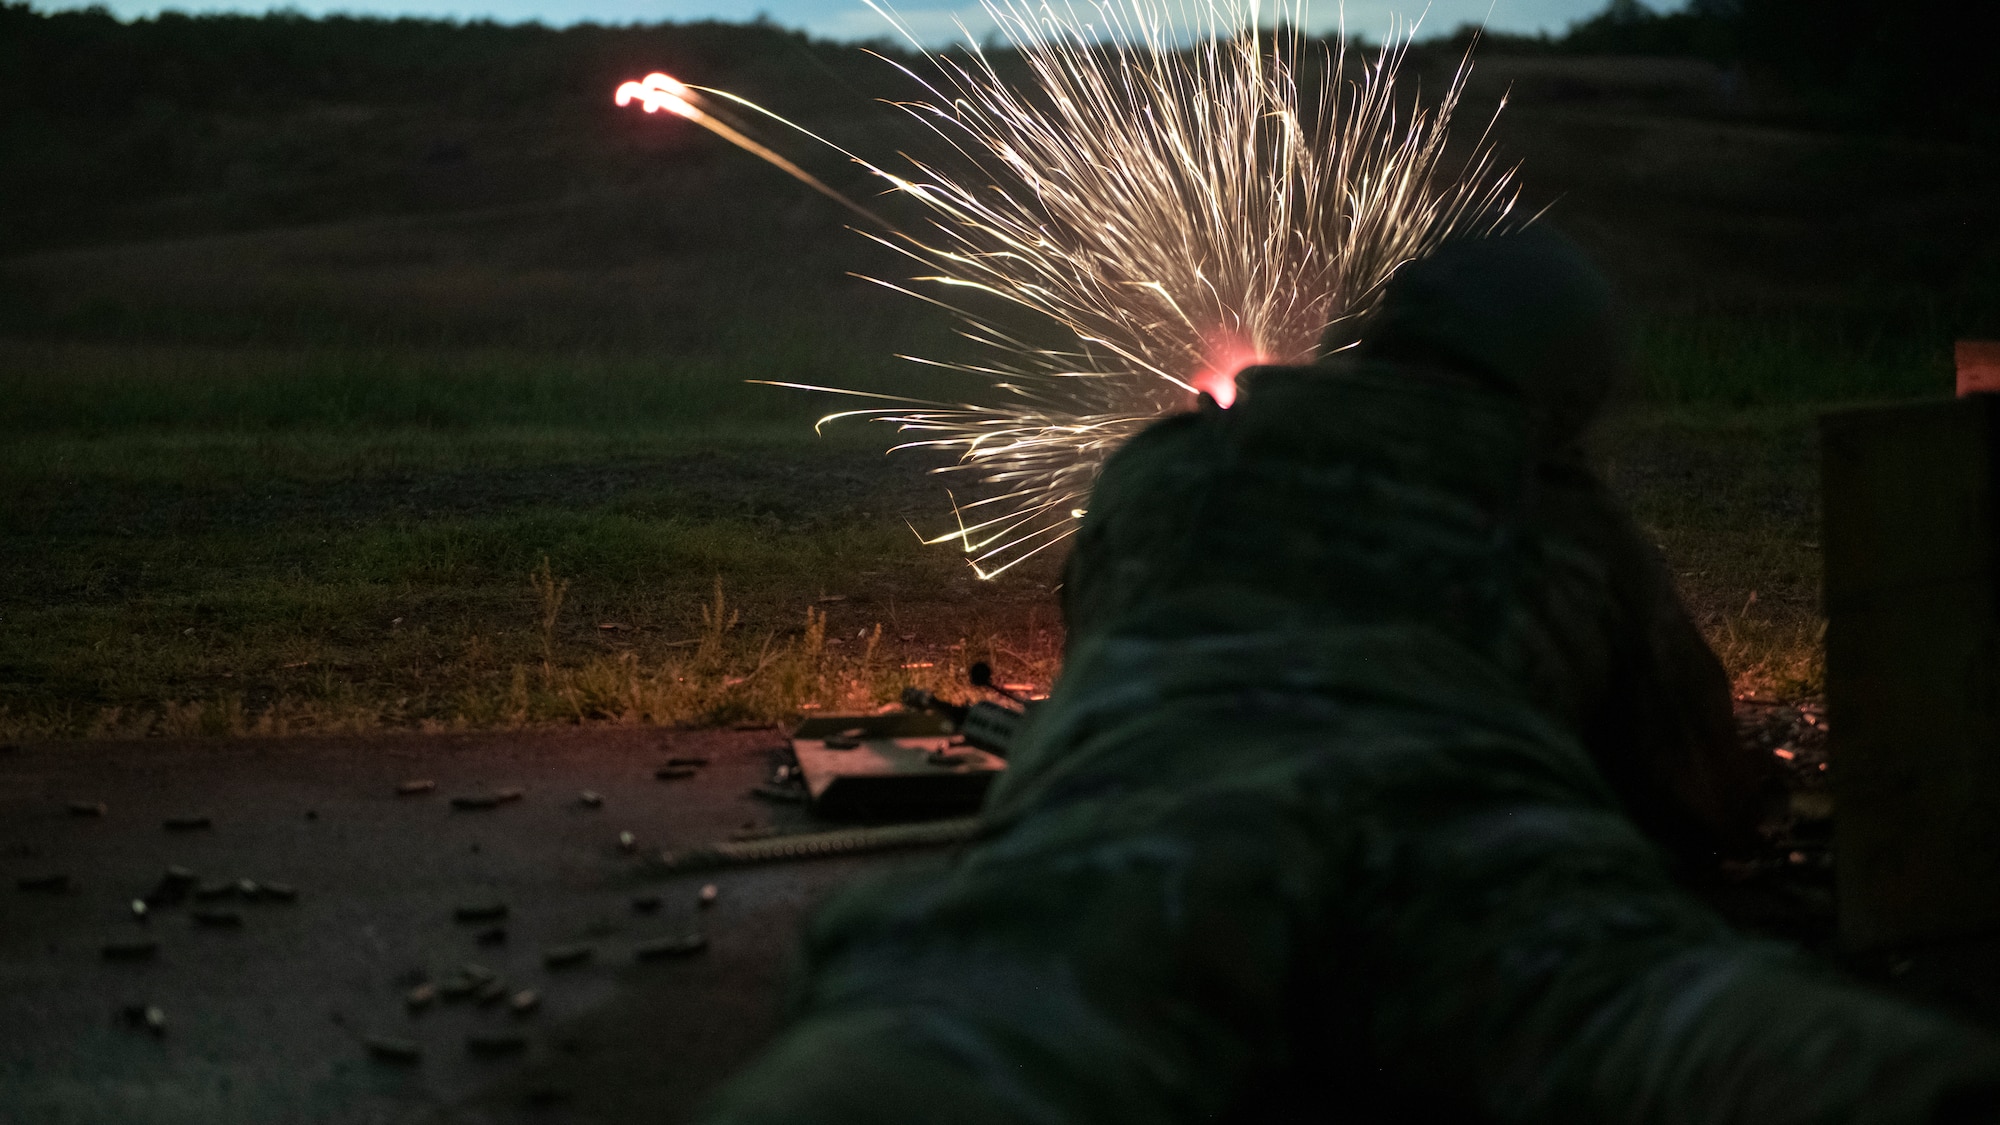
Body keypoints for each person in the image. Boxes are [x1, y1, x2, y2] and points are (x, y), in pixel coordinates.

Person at [698, 228, 2000, 1124]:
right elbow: (1697, 790)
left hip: (1145, 828)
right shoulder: (1559, 518)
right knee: (1735, 1049)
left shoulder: (1167, 469)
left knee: (931, 1048)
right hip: (1482, 849)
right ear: (1561, 388)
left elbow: (1109, 640)